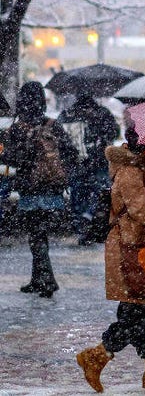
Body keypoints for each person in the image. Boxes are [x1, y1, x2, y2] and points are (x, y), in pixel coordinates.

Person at [76, 126, 145, 393]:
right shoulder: (128, 172)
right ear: (143, 146)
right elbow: (141, 213)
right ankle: (96, 356)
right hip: (129, 249)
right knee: (136, 315)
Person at [2, 81, 78, 298]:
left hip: (31, 190)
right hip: (52, 190)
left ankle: (47, 280)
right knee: (40, 234)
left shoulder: (18, 128)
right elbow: (71, 153)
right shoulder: (53, 125)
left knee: (35, 235)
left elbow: (13, 159)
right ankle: (38, 279)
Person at [58, 93, 120, 244]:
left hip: (76, 164)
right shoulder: (103, 113)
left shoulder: (67, 115)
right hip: (99, 163)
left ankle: (81, 227)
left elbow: (59, 138)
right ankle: (90, 219)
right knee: (100, 195)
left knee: (78, 195)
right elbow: (115, 133)